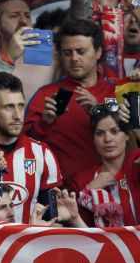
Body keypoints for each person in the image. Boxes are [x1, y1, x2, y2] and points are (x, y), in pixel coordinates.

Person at [0, 72, 61, 223]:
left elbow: (53, 218)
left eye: (21, 106)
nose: (18, 115)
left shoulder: (43, 153)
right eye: (9, 107)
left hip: (29, 245)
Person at [26, 19, 119, 181]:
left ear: (98, 52)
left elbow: (131, 139)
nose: (74, 58)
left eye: (81, 51)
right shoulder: (45, 95)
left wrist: (98, 111)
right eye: (67, 53)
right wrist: (44, 124)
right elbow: (25, 149)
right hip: (64, 195)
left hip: (114, 191)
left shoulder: (115, 92)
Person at [71, 102, 140, 226]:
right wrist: (89, 190)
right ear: (93, 139)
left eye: (115, 131)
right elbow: (82, 233)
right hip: (105, 245)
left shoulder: (136, 162)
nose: (107, 139)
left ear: (127, 135)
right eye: (100, 133)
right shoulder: (82, 180)